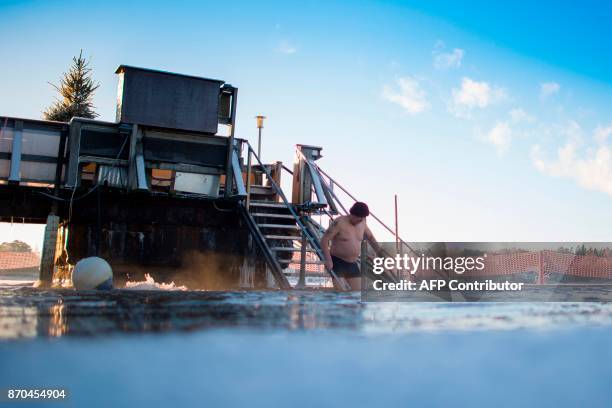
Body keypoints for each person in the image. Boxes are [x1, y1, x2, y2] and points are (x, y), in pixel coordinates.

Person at [321, 202, 383, 290]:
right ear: (352, 214)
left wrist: (379, 253)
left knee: (357, 295)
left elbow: (371, 237)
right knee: (341, 293)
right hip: (337, 262)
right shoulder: (339, 222)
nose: (359, 221)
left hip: (352, 263)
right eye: (357, 218)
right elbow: (324, 240)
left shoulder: (362, 224)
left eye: (361, 219)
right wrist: (328, 260)